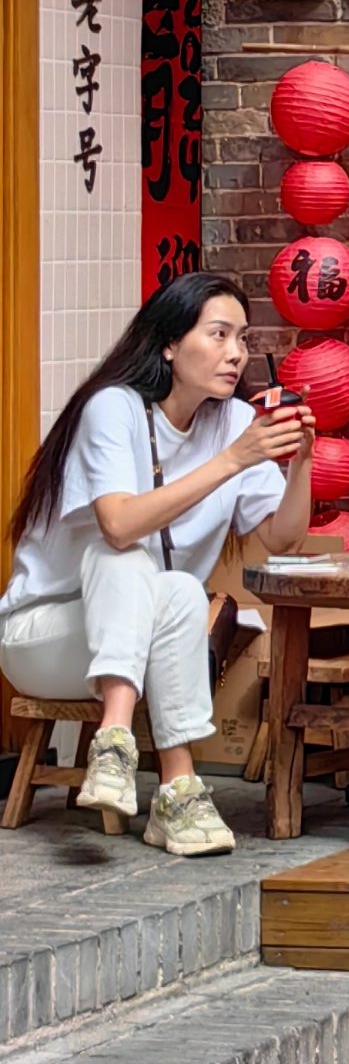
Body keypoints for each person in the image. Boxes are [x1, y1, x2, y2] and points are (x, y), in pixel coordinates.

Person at [0, 273, 315, 854]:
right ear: (169, 344)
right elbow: (119, 522)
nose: (236, 353)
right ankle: (117, 734)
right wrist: (232, 461)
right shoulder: (113, 409)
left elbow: (284, 540)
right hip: (48, 635)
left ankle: (174, 789)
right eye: (218, 334)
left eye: (242, 338)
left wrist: (301, 464)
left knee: (177, 591)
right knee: (116, 547)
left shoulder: (233, 422)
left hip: (137, 635)